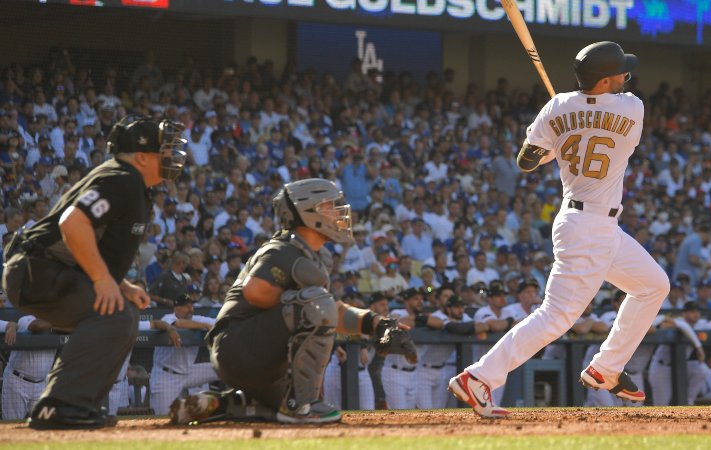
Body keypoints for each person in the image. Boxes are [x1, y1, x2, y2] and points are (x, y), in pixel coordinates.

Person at [450, 41, 669, 418]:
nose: (625, 78)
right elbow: (598, 130)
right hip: (588, 227)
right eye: (620, 73)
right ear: (603, 81)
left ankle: (606, 368)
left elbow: (526, 162)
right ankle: (479, 377)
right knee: (556, 316)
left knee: (653, 285)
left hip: (594, 224)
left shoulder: (557, 106)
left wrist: (554, 138)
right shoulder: (633, 108)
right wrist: (569, 127)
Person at [170, 178, 416, 425]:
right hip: (238, 346)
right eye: (329, 206)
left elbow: (329, 309)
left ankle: (225, 405)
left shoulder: (314, 255)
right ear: (307, 212)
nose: (338, 212)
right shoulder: (281, 250)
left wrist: (375, 323)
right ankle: (301, 405)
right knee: (315, 303)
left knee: (277, 410)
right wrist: (297, 300)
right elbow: (254, 291)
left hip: (262, 360)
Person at [2, 115, 187, 429]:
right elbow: (73, 223)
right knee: (115, 316)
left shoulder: (129, 181)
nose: (172, 156)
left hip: (49, 269)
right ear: (143, 156)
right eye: (165, 150)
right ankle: (58, 405)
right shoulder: (122, 177)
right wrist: (103, 279)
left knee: (122, 313)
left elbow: (88, 244)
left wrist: (122, 284)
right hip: (36, 269)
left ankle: (78, 406)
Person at [148, 294, 218, 415]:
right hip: (166, 377)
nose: (191, 309)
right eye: (186, 306)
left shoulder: (196, 318)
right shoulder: (168, 318)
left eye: (192, 305)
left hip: (187, 372)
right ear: (176, 308)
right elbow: (178, 324)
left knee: (220, 367)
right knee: (163, 417)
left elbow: (219, 322)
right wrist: (205, 326)